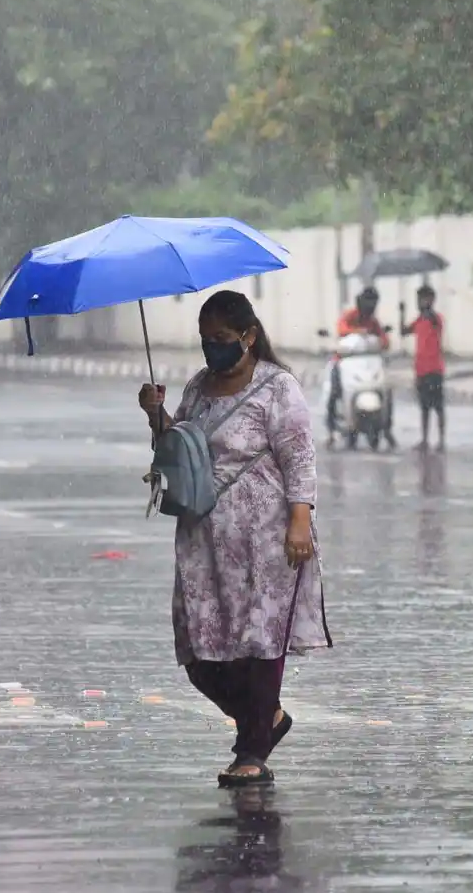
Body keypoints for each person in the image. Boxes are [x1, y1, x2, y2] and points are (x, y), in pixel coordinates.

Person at [137, 289, 331, 787]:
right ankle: (265, 719)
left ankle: (252, 752)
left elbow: (299, 458)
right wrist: (157, 416)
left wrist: (299, 522)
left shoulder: (278, 388)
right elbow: (180, 448)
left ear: (249, 337)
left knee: (260, 645)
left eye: (222, 339)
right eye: (205, 341)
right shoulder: (200, 388)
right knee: (201, 653)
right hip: (204, 541)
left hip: (265, 542)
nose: (212, 350)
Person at [327, 287, 391, 448]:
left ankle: (387, 428)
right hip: (345, 361)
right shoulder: (350, 316)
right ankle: (331, 426)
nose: (370, 308)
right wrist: (357, 331)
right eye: (368, 303)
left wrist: (382, 339)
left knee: (388, 391)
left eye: (373, 304)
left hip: (368, 364)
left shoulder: (374, 322)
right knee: (334, 390)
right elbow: (342, 328)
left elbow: (384, 340)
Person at [400, 285, 446, 451]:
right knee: (424, 407)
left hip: (435, 369)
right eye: (419, 299)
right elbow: (403, 332)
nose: (421, 302)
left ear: (432, 300)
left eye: (425, 299)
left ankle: (441, 440)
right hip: (421, 370)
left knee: (438, 407)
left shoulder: (435, 319)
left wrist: (428, 310)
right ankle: (425, 440)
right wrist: (401, 313)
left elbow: (434, 319)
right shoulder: (419, 320)